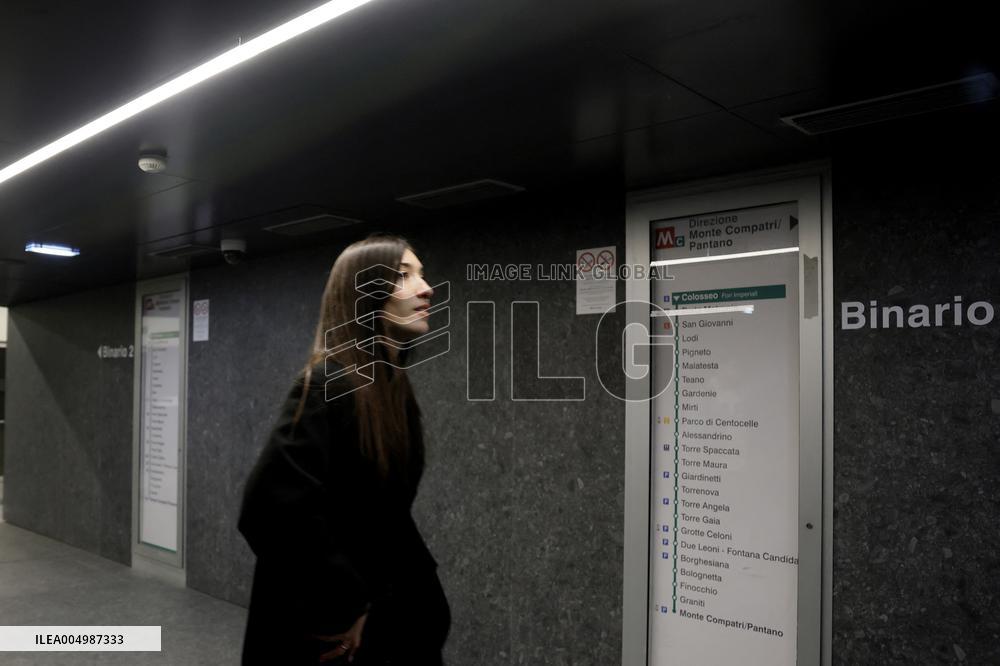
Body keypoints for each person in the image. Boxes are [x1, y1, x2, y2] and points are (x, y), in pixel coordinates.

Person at [238, 233, 450, 665]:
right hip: (338, 634)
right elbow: (270, 508)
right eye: (402, 276)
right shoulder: (329, 384)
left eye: (421, 275)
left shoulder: (388, 385)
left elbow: (380, 514)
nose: (426, 289)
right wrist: (342, 606)